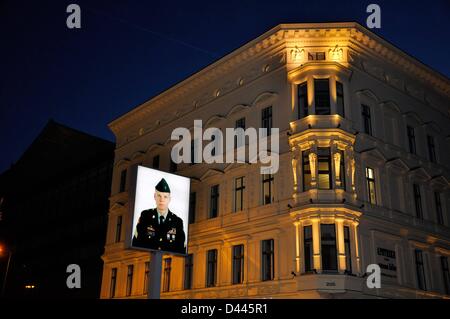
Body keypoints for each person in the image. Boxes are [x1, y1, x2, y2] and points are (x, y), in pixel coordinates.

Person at [132, 178, 186, 254]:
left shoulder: (177, 222)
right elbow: (136, 242)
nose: (161, 200)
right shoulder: (146, 216)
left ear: (169, 199)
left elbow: (181, 249)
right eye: (159, 196)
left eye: (165, 197)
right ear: (154, 196)